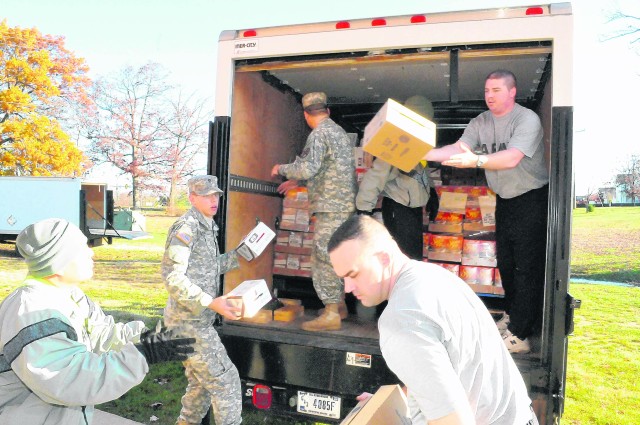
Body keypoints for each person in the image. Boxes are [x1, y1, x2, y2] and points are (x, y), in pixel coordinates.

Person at [328, 215, 537, 425]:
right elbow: (442, 374)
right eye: (342, 278)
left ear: (384, 258)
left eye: (353, 274)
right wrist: (387, 407)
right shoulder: (434, 277)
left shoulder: (402, 320)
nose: (347, 288)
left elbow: (454, 422)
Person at [0, 218, 192, 425]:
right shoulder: (31, 311)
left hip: (61, 416)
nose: (91, 252)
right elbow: (71, 381)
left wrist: (146, 337)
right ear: (59, 262)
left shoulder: (68, 295)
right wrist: (144, 354)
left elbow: (101, 333)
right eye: (81, 248)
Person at [424, 69, 548, 354]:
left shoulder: (526, 119)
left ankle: (521, 335)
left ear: (512, 91)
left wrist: (476, 160)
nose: (490, 96)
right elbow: (459, 147)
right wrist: (424, 153)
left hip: (531, 199)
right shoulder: (480, 121)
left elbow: (512, 158)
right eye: (487, 91)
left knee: (526, 268)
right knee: (506, 263)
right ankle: (513, 315)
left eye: (496, 90)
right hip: (505, 200)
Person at [162, 175, 246, 425]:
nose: (213, 200)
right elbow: (172, 277)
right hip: (188, 324)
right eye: (206, 195)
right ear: (191, 198)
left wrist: (241, 254)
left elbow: (208, 266)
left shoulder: (206, 225)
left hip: (196, 322)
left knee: (201, 384)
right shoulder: (187, 228)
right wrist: (211, 302)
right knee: (226, 381)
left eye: (216, 195)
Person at [271, 91, 357, 332]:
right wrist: (299, 183)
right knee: (336, 254)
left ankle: (331, 312)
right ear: (327, 111)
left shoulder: (318, 134)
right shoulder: (337, 132)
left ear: (307, 115)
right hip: (343, 205)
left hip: (330, 207)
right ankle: (339, 306)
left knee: (323, 256)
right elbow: (330, 170)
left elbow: (308, 167)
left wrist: (282, 169)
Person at [356, 95, 434, 260]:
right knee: (404, 259)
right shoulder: (395, 143)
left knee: (414, 258)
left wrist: (431, 192)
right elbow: (376, 176)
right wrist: (364, 209)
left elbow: (422, 169)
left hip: (413, 209)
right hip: (397, 208)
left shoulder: (417, 142)